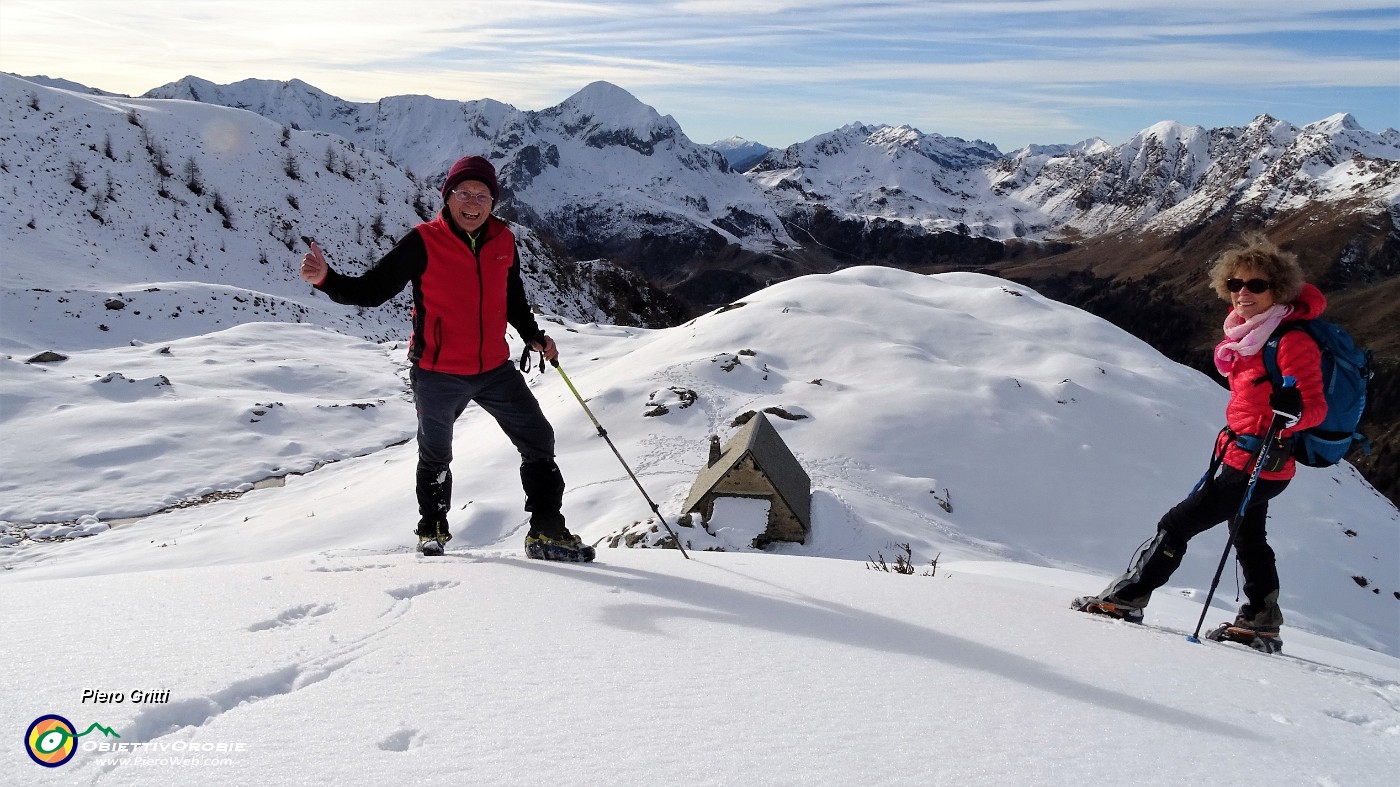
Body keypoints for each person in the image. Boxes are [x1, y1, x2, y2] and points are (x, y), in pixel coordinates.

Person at [298, 154, 593, 561]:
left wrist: (533, 336)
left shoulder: (503, 240)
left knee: (539, 438)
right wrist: (326, 280)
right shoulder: (422, 241)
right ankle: (432, 527)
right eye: (464, 193)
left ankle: (546, 529)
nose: (473, 203)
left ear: (493, 203)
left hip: (494, 368)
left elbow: (512, 298)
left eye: (483, 196)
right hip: (437, 371)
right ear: (447, 197)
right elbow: (372, 290)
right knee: (436, 452)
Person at [1072, 233, 1326, 652]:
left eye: (1257, 285)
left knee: (1176, 524)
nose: (1243, 293)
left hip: (1259, 460)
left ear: (1278, 290)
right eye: (1235, 284)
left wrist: (1294, 409)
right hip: (1251, 459)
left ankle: (1127, 599)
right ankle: (1262, 620)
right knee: (1247, 537)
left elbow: (1315, 407)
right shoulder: (1252, 335)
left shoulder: (1290, 340)